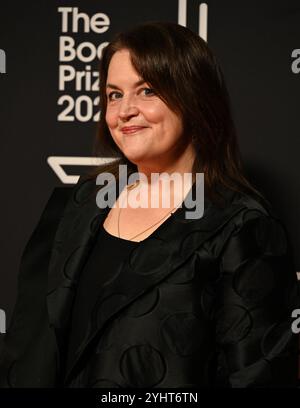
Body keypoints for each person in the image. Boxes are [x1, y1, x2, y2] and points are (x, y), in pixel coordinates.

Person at [0, 21, 299, 388]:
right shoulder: (77, 203)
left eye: (147, 90)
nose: (124, 110)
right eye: (113, 95)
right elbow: (25, 351)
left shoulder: (242, 227)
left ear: (194, 97)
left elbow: (256, 380)